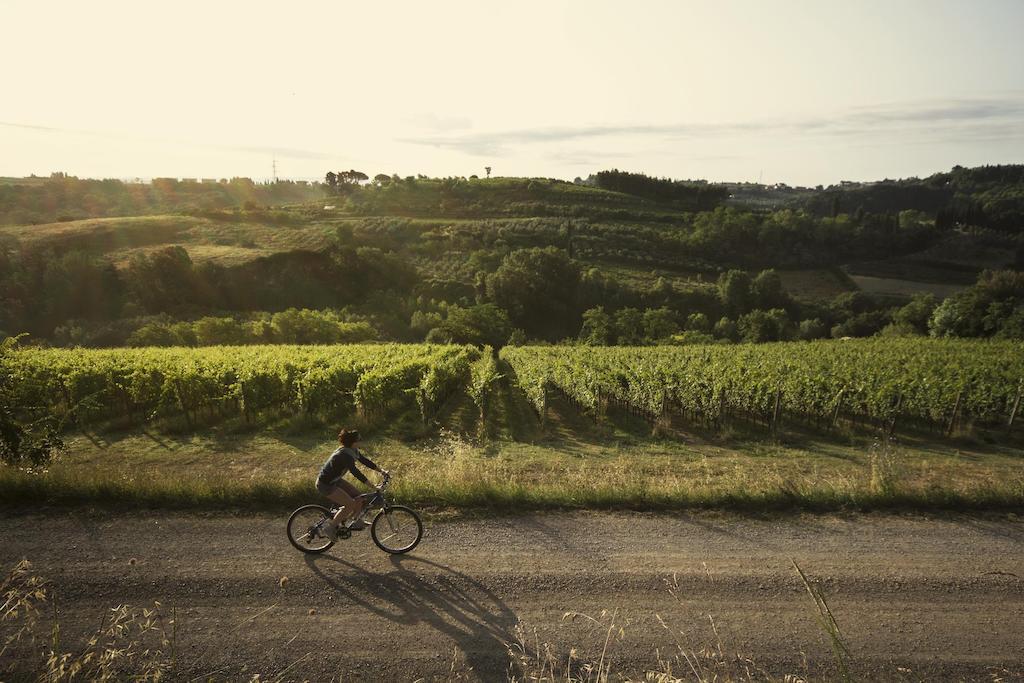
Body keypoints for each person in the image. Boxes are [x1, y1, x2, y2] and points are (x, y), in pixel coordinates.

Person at [316, 428, 386, 539]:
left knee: (359, 497)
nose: (361, 441)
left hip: (335, 480)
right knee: (350, 504)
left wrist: (382, 471)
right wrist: (373, 486)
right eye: (359, 439)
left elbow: (365, 461)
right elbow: (355, 472)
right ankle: (330, 528)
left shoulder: (352, 450)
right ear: (354, 442)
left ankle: (356, 521)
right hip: (326, 485)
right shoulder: (345, 455)